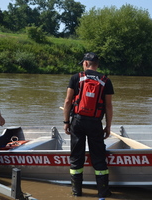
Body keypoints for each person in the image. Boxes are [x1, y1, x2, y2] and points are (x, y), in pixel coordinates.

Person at [63, 52, 114, 198]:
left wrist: (66, 122)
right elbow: (109, 106)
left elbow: (68, 101)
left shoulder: (76, 78)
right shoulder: (105, 81)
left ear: (85, 63)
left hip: (77, 122)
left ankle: (76, 192)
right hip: (95, 122)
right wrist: (108, 126)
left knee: (76, 157)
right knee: (98, 156)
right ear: (97, 65)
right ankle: (103, 193)